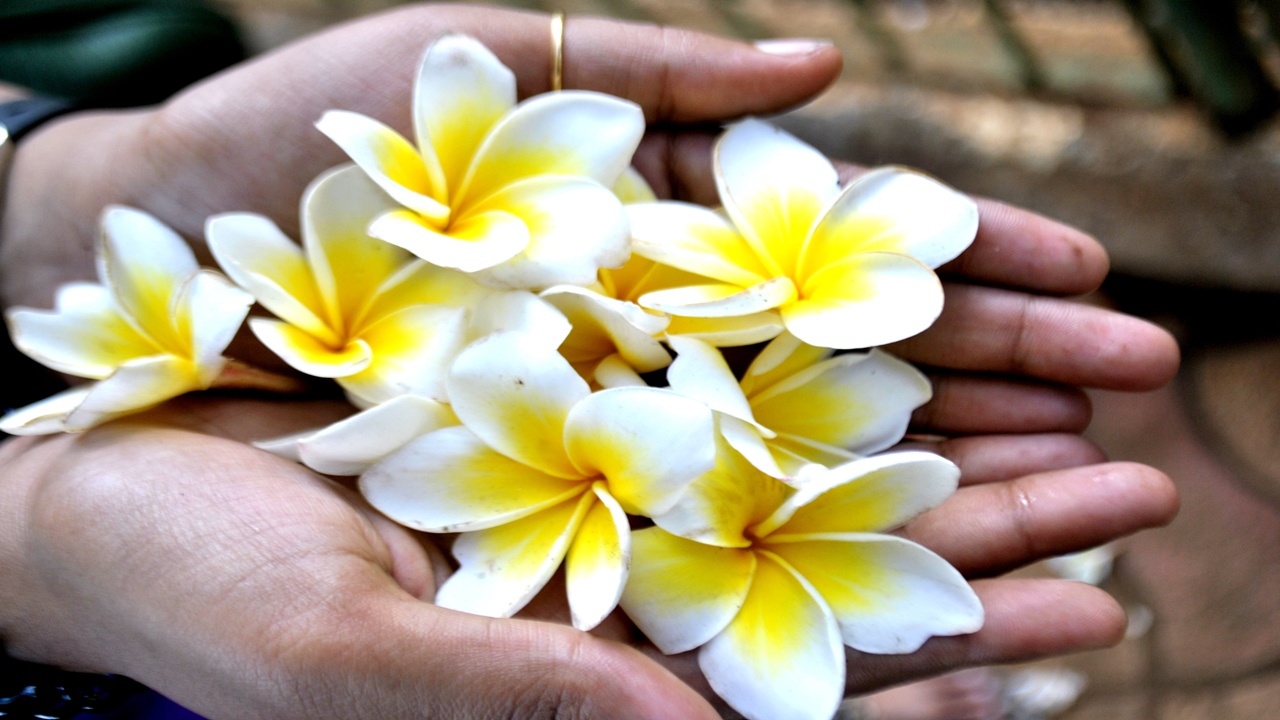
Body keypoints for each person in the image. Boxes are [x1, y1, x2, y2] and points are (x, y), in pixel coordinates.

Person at [0, 5, 1181, 718]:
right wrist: (30, 551)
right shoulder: (450, 350)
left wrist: (29, 179)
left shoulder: (609, 275)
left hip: (669, 407)